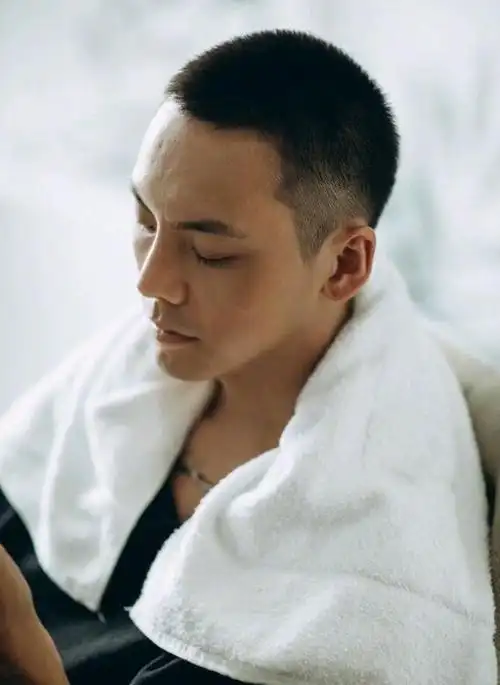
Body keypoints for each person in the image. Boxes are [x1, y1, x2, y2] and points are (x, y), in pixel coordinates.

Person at [0, 29, 496, 684]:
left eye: (211, 253)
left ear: (344, 265)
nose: (151, 282)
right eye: (146, 220)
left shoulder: (372, 576)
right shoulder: (124, 369)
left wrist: (20, 643)